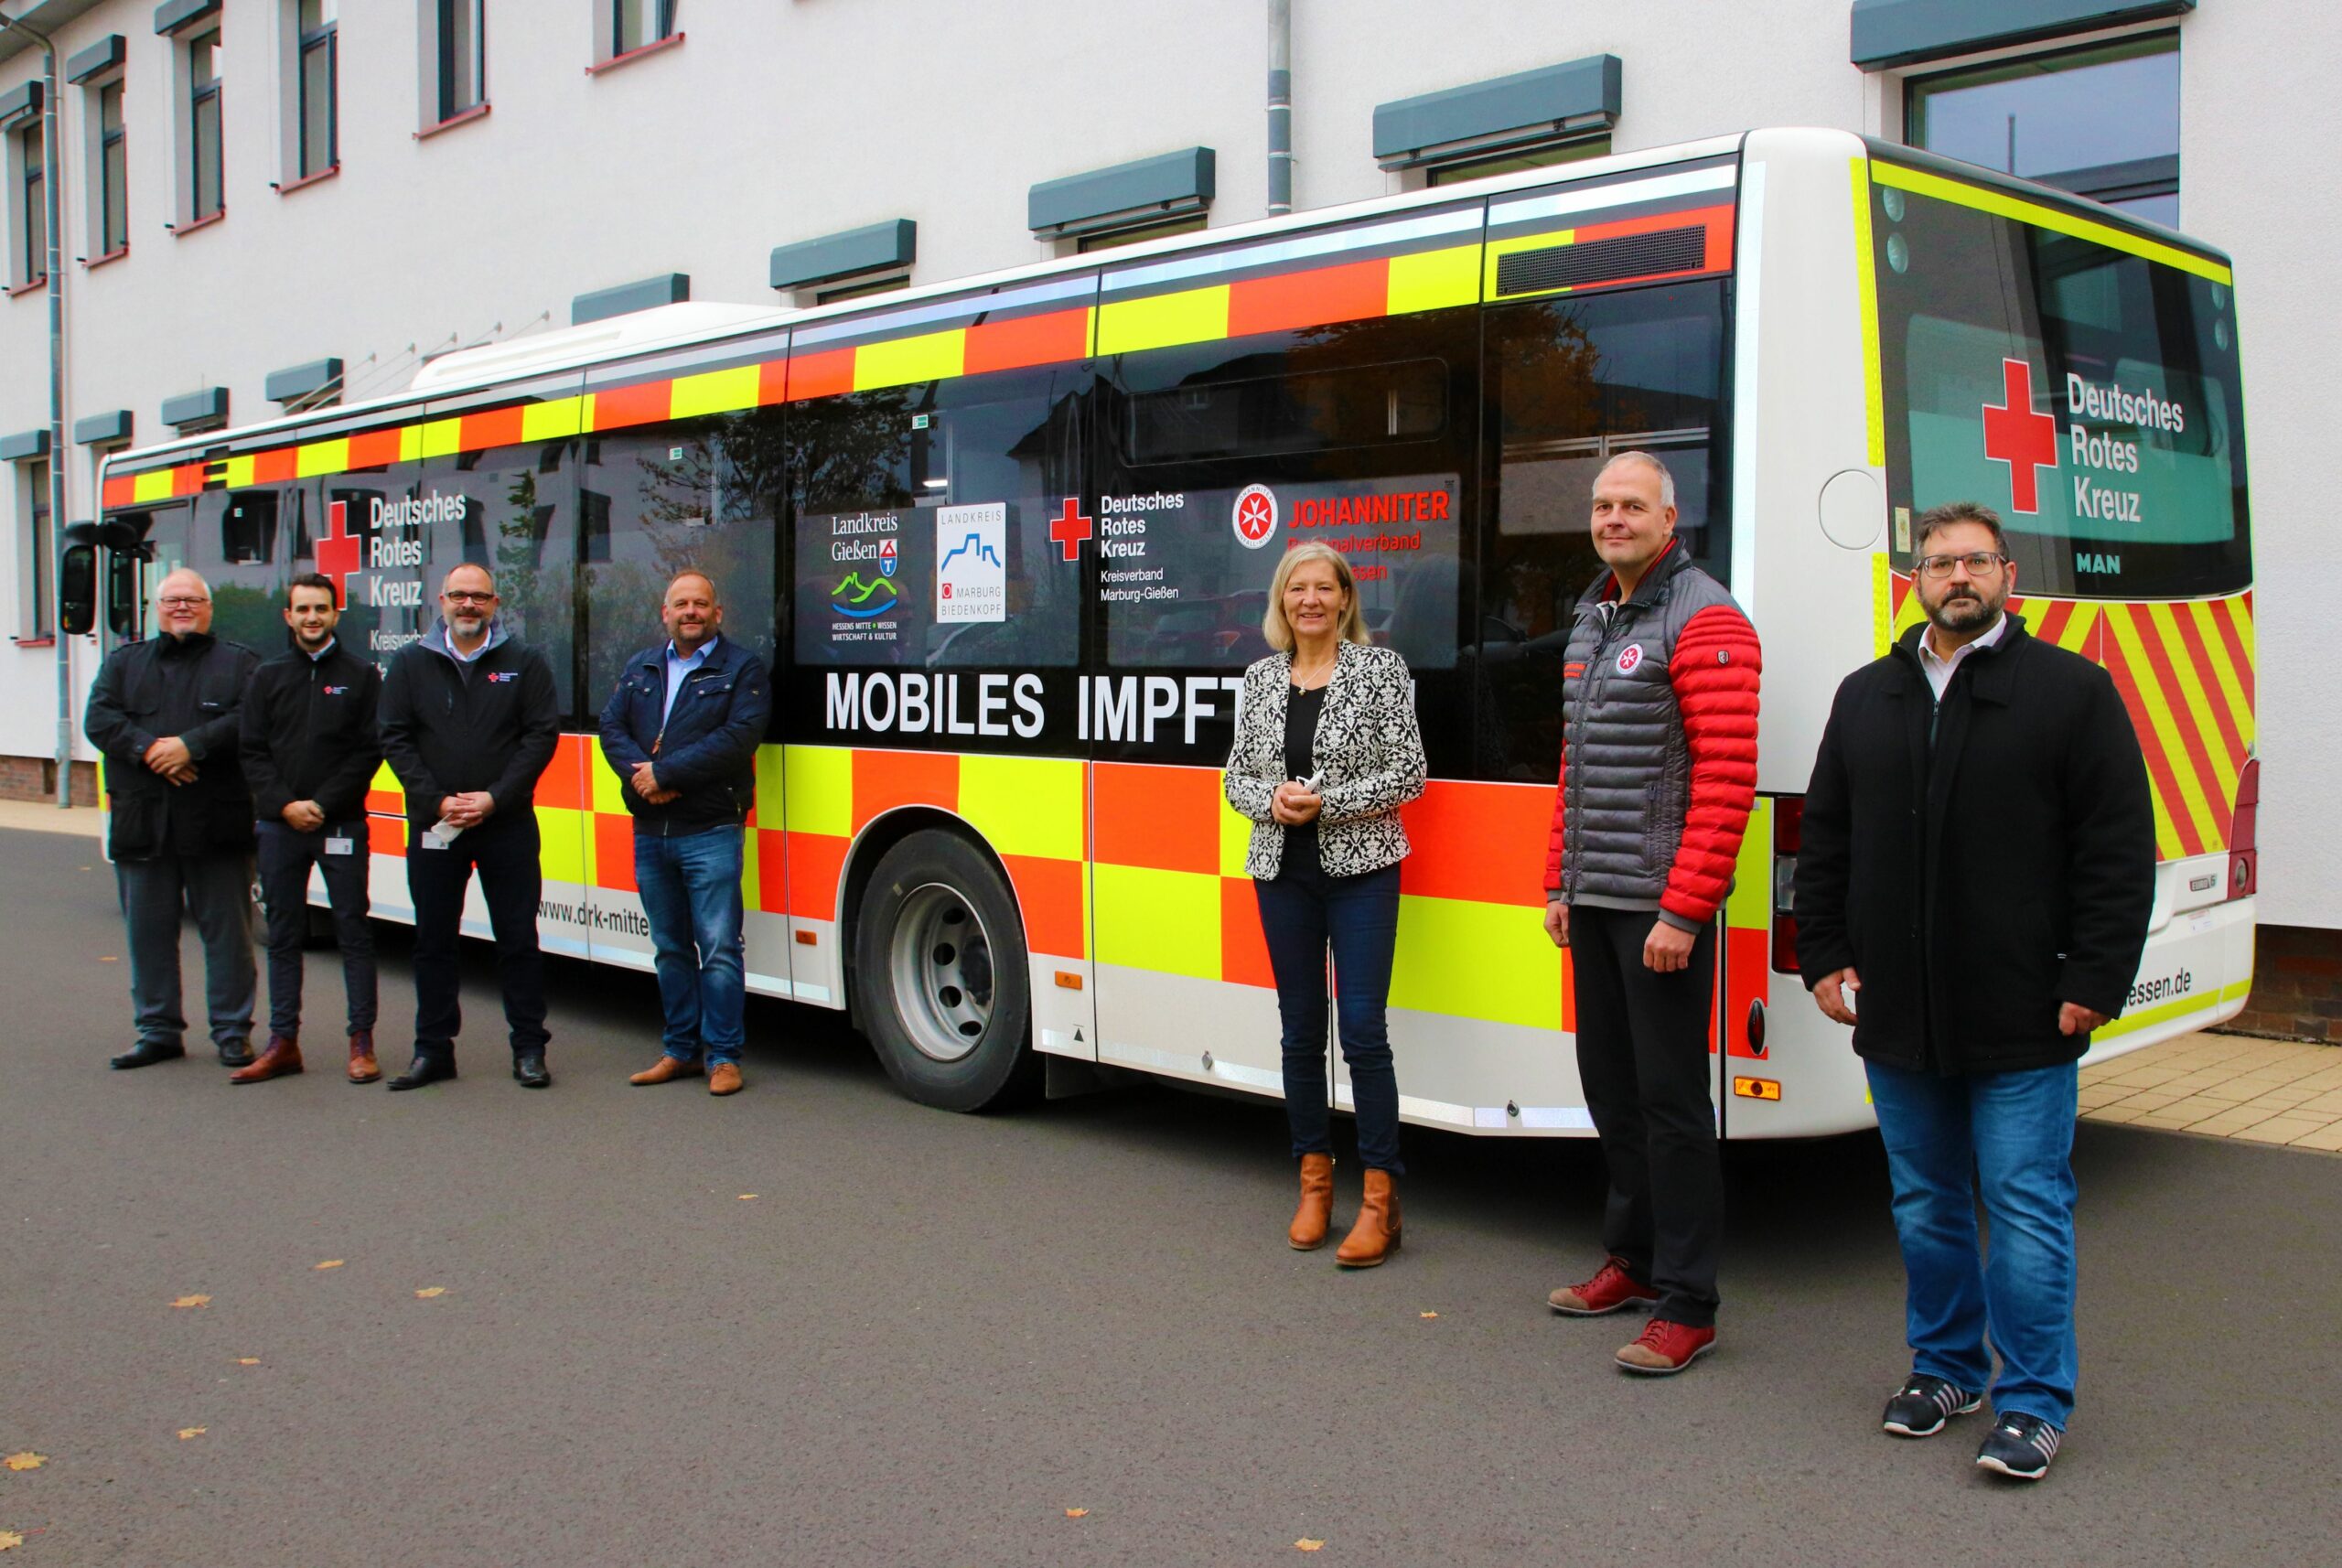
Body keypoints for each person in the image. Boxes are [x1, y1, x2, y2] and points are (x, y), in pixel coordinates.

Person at [1793, 500, 2154, 1481]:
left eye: (1977, 561)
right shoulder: (1867, 695)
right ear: (1914, 580)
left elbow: (2117, 848)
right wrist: (1822, 953)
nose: (1959, 576)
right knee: (1924, 1202)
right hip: (1900, 1010)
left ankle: (2033, 1400)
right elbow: (1826, 838)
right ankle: (1947, 1369)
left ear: (2007, 576)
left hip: (2024, 1008)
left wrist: (2096, 976)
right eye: (1940, 562)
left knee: (2025, 1206)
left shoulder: (2070, 691)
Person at [1541, 451, 1760, 1375]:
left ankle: (1687, 1302)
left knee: (1671, 1105)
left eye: (1632, 505)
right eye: (1603, 505)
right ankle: (1630, 1262)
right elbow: (1575, 765)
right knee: (1612, 1090)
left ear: (1670, 519)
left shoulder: (1705, 615)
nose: (1614, 518)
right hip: (1595, 897)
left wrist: (1685, 909)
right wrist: (1559, 881)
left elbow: (1726, 776)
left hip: (1659, 909)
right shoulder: (1594, 617)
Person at [1223, 541, 1427, 1268]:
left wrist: (1327, 803)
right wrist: (1272, 799)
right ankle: (1313, 1185)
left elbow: (1410, 773)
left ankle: (1380, 1201)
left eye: (1324, 588)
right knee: (1300, 1032)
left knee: (1364, 1031)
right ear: (1281, 602)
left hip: (1363, 872)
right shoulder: (1259, 678)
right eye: (1296, 589)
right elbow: (1235, 779)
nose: (1310, 600)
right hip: (1282, 873)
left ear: (1345, 599)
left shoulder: (1381, 670)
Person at [378, 563, 561, 1090]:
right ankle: (433, 1051)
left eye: (479, 597)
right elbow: (393, 737)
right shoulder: (410, 662)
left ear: (495, 604)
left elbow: (540, 737)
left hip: (507, 823)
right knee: (433, 942)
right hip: (436, 824)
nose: (468, 605)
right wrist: (436, 801)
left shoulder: (524, 662)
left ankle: (529, 1049)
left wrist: (494, 798)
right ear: (442, 601)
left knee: (518, 940)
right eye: (459, 595)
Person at [597, 571, 772, 1096]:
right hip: (651, 831)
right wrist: (642, 777)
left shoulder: (742, 668)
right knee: (670, 947)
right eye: (681, 604)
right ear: (665, 613)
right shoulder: (641, 666)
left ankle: (723, 1057)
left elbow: (738, 738)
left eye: (700, 604)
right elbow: (611, 727)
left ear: (718, 613)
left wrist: (665, 774)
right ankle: (680, 1051)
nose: (690, 612)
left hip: (710, 829)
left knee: (719, 948)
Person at [82, 568, 263, 1071]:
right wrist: (150, 751)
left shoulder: (240, 664)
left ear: (209, 609)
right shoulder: (124, 663)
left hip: (217, 823)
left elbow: (252, 719)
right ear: (156, 608)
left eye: (192, 600)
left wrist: (191, 745)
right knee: (148, 936)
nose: (182, 607)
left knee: (228, 937)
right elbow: (100, 720)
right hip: (144, 823)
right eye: (172, 600)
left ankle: (232, 1032)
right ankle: (157, 1032)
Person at [234, 572, 385, 1084]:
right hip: (280, 827)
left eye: (321, 608)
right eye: (303, 609)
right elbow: (252, 751)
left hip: (340, 824)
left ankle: (361, 1042)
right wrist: (285, 805)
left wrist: (321, 804)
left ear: (335, 614)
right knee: (282, 935)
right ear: (289, 616)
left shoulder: (362, 675)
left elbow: (369, 750)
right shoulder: (267, 676)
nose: (312, 617)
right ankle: (283, 1043)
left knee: (353, 932)